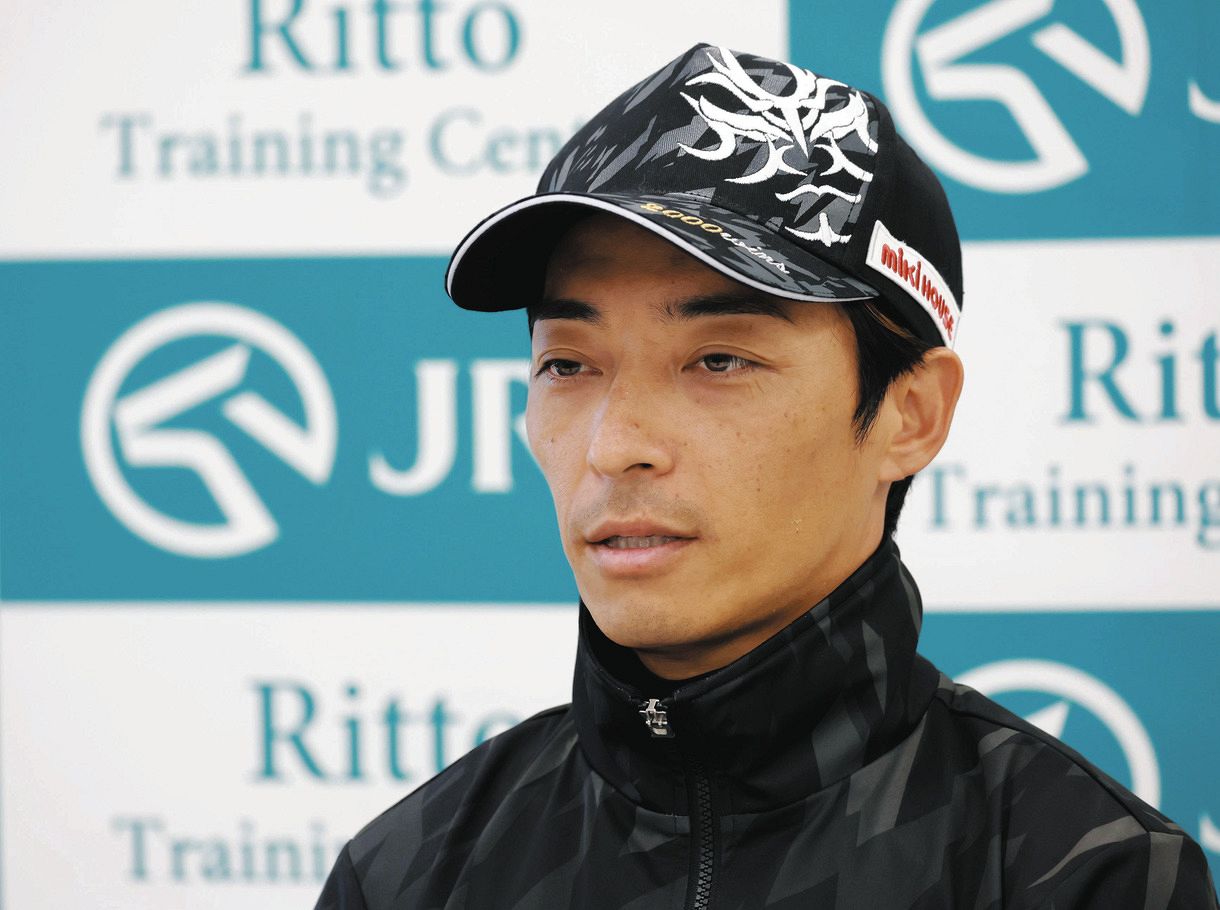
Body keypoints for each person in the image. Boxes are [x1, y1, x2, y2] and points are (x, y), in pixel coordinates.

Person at [316, 44, 1217, 909]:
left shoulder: (1078, 873)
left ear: (911, 414)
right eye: (569, 364)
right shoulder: (411, 873)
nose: (614, 445)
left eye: (718, 360)